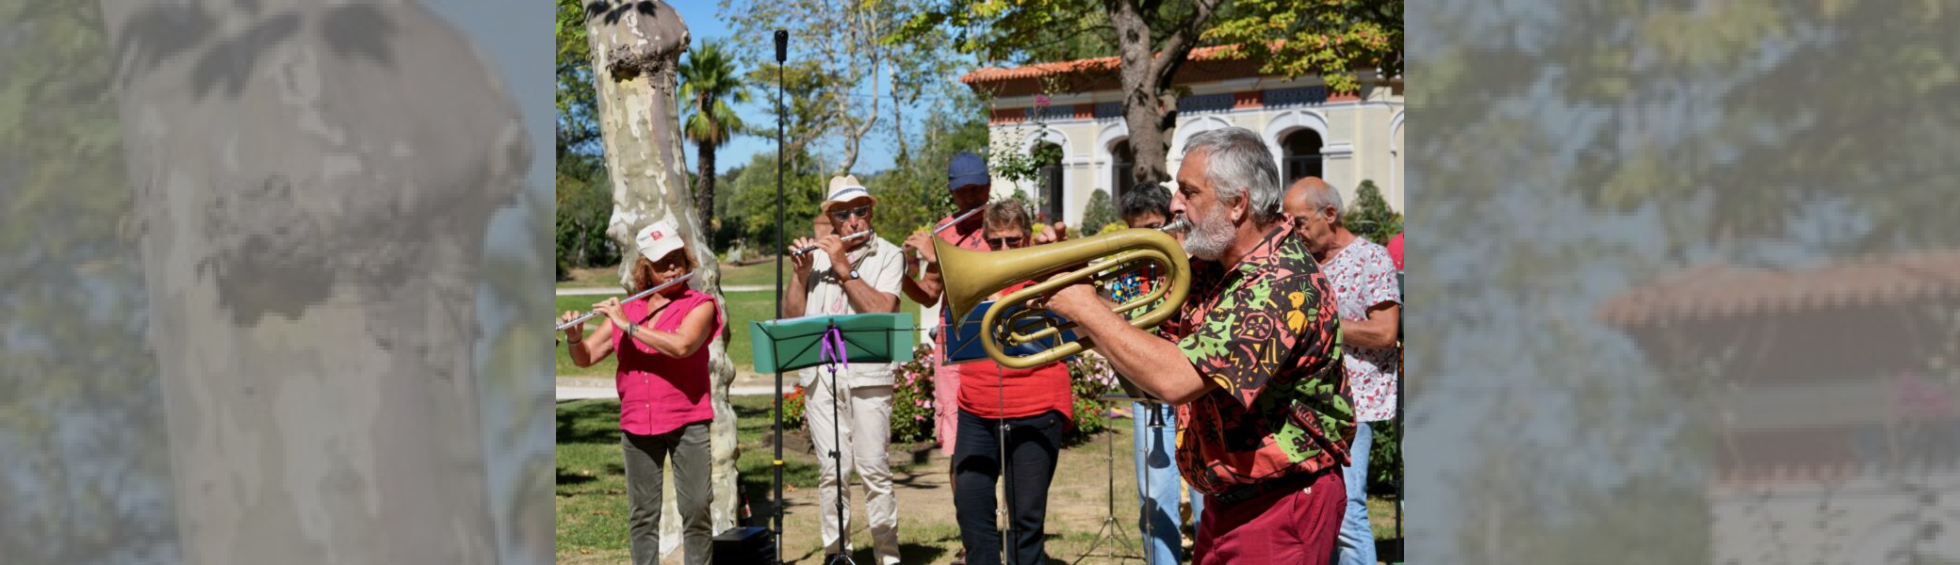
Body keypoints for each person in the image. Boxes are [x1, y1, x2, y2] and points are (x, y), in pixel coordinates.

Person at [1043, 127, 1353, 564]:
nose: (1174, 204)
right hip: (1233, 498)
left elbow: (1174, 378)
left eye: (1189, 192)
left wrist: (1089, 310)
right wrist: (1079, 290)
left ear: (1237, 203)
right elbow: (1149, 348)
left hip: (1281, 504)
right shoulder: (1216, 268)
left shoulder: (1282, 284)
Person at [559, 218, 724, 565]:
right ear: (645, 269)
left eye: (678, 258)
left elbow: (681, 346)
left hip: (687, 419)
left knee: (695, 509)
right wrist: (574, 337)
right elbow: (585, 357)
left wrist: (628, 327)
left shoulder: (700, 304)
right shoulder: (629, 307)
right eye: (662, 263)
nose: (672, 268)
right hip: (637, 424)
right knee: (642, 515)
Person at [785, 175, 908, 565]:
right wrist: (800, 275)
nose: (853, 220)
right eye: (843, 214)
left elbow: (882, 311)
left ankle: (887, 556)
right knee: (831, 470)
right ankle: (838, 554)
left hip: (868, 374)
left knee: (873, 468)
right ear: (832, 221)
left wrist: (843, 267)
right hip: (821, 376)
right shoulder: (815, 258)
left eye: (860, 211)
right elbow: (791, 319)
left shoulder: (889, 255)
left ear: (870, 212)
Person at [1285, 177, 1403, 565]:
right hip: (1304, 401)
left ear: (1330, 214)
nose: (1292, 230)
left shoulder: (1372, 258)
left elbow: (1385, 333)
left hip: (1351, 403)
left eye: (1299, 221)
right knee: (1319, 511)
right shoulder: (1302, 262)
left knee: (1348, 512)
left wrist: (1321, 324)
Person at [950, 200, 1075, 565]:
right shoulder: (973, 274)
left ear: (1027, 238)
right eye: (995, 242)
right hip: (975, 408)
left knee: (1025, 523)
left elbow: (1083, 302)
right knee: (971, 513)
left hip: (1037, 408)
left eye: (1013, 240)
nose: (1003, 249)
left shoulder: (1046, 269)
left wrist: (1061, 257)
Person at [1115, 183, 1204, 564]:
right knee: (1155, 498)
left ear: (1173, 220)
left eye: (1155, 227)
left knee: (1207, 493)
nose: (1148, 239)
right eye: (1138, 230)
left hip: (1198, 389)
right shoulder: (1125, 269)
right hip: (1149, 391)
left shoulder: (1200, 260)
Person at [903, 150, 996, 459]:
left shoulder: (1006, 225)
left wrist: (937, 258)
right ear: (951, 193)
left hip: (998, 337)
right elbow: (929, 294)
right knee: (958, 444)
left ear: (990, 185)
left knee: (1000, 436)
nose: (970, 197)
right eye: (962, 191)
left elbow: (989, 280)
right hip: (955, 341)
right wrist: (902, 271)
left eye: (977, 189)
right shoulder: (943, 231)